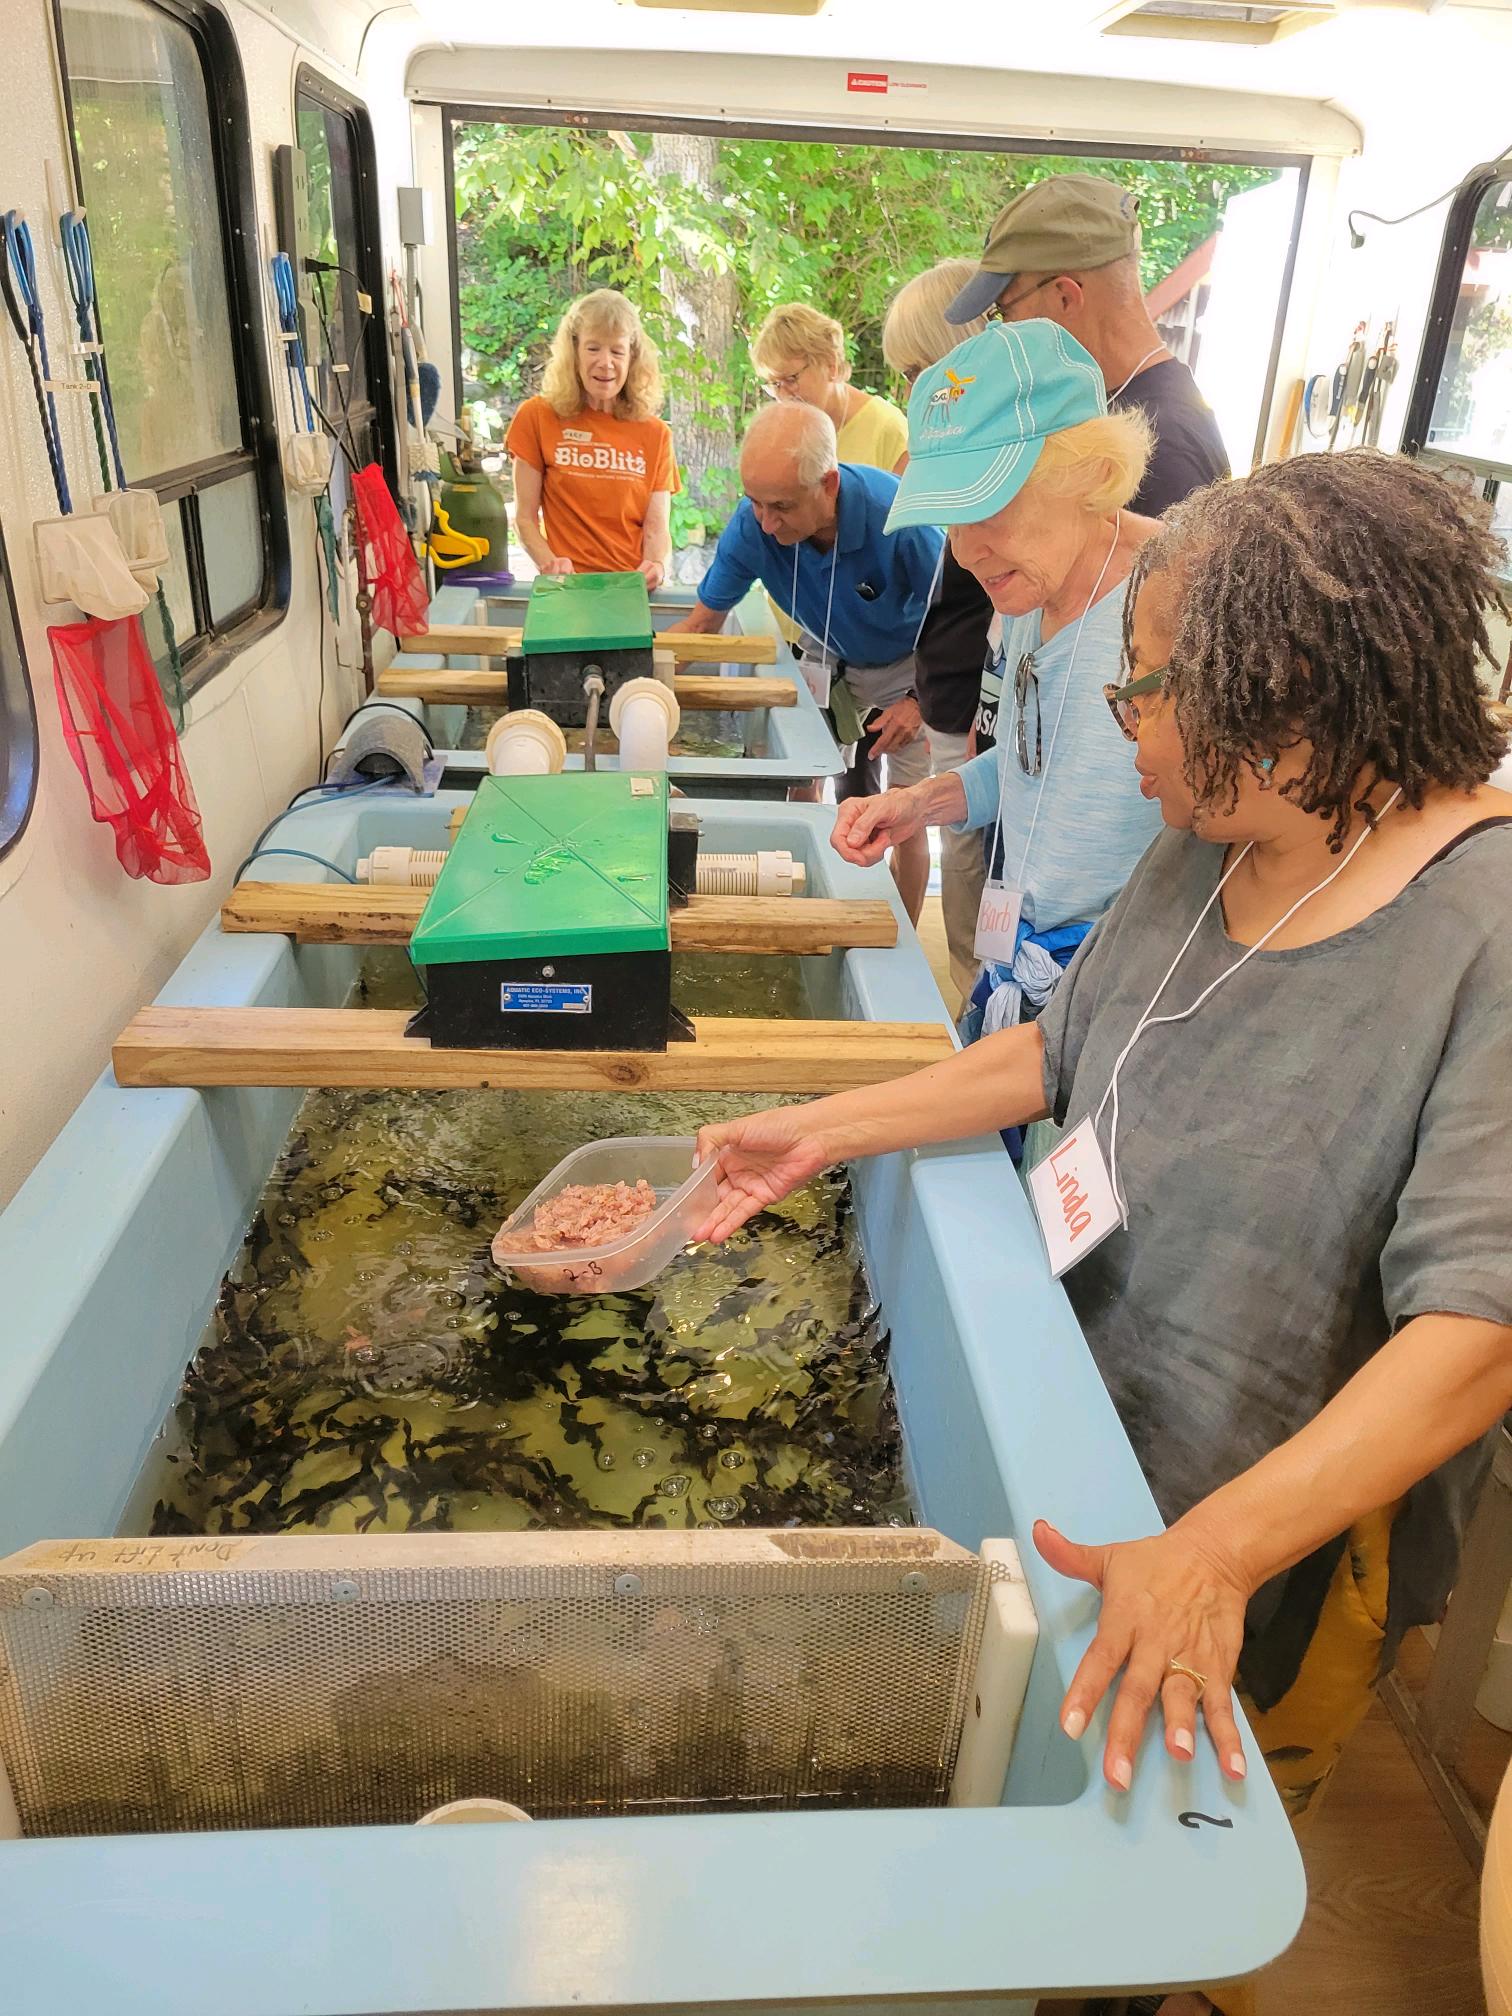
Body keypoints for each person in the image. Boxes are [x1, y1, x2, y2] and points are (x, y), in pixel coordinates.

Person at [696, 450, 1512, 2016]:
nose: (1118, 721)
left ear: (1276, 695)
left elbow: (1477, 1333)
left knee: (1168, 1909)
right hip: (1093, 1433)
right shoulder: (1214, 838)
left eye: (1144, 687)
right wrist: (826, 1126)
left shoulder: (1483, 932)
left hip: (1259, 1541)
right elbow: (1065, 1049)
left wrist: (1213, 1553)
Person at [833, 320, 1164, 1081]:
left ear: (1088, 472)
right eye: (951, 518)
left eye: (989, 509)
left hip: (1128, 994)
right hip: (1023, 962)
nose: (965, 550)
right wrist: (919, 804)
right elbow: (1024, 766)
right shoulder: (1017, 598)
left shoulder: (1176, 602)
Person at [663, 401, 941, 920]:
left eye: (782, 507)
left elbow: (964, 621)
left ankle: (905, 931)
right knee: (802, 775)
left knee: (906, 810)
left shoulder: (901, 516)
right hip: (829, 651)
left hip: (916, 660)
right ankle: (806, 892)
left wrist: (919, 701)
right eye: (755, 503)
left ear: (829, 483)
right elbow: (702, 625)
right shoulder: (754, 524)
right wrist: (641, 681)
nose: (766, 523)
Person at [881, 260, 992, 1008]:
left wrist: (984, 715)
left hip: (975, 712)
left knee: (975, 888)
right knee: (964, 882)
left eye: (921, 371)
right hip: (956, 699)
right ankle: (967, 1006)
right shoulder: (946, 453)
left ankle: (974, 1010)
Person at [505, 289, 678, 588]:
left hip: (630, 592)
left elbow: (656, 529)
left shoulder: (656, 434)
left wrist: (656, 567)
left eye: (617, 351)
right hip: (566, 590)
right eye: (594, 348)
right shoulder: (536, 417)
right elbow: (524, 520)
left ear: (632, 357)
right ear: (575, 352)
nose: (605, 363)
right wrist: (549, 563)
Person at [751, 302, 909, 473]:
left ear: (830, 364)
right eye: (774, 385)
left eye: (791, 379)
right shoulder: (786, 436)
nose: (782, 396)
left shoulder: (888, 430)